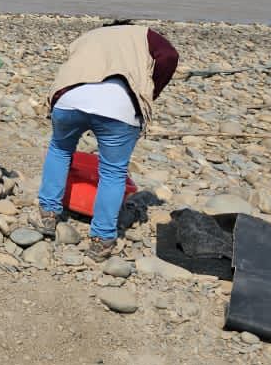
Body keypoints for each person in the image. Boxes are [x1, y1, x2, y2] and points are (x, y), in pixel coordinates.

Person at [28, 23, 179, 261]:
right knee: (113, 172)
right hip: (120, 108)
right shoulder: (143, 34)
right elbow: (169, 56)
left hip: (69, 99)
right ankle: (101, 239)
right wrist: (151, 90)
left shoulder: (89, 35)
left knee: (60, 150)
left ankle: (48, 214)